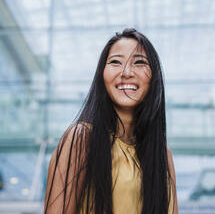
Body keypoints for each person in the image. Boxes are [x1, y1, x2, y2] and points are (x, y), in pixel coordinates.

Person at [44, 28, 178, 214]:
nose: (126, 72)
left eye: (139, 62)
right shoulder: (81, 138)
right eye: (115, 62)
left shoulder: (163, 154)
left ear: (153, 77)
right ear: (102, 75)